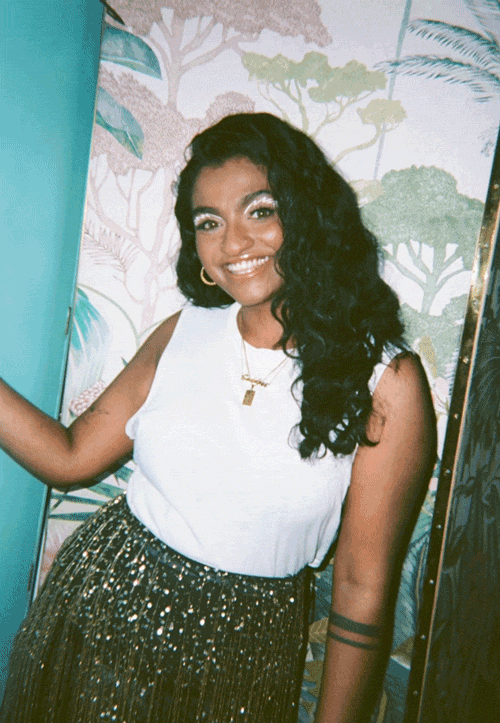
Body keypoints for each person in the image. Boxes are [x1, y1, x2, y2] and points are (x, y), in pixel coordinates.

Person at [0, 112, 436, 723]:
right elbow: (69, 458)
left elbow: (362, 590)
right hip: (99, 612)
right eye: (209, 222)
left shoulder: (387, 382)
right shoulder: (184, 330)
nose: (233, 244)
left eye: (260, 211)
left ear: (307, 215)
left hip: (244, 654)